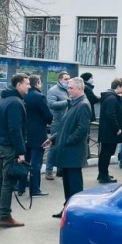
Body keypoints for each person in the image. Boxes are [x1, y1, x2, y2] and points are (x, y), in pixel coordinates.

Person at [45, 77, 92, 218]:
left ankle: (76, 213)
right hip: (67, 151)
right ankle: (67, 209)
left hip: (73, 152)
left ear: (80, 89)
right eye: (68, 88)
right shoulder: (73, 103)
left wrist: (67, 142)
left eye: (71, 88)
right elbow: (65, 127)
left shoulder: (83, 105)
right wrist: (53, 139)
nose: (68, 90)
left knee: (74, 185)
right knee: (67, 183)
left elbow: (82, 129)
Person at [0, 73, 30, 228]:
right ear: (18, 85)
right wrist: (21, 151)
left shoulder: (4, 98)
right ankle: (5, 216)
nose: (29, 86)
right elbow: (15, 129)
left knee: (0, 180)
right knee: (8, 182)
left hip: (2, 144)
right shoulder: (15, 102)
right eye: (26, 83)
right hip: (10, 146)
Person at [18, 75, 52, 197]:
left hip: (24, 134)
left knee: (24, 161)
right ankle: (35, 189)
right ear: (37, 83)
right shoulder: (40, 97)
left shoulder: (22, 96)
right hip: (38, 135)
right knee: (36, 163)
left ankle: (20, 188)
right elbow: (48, 115)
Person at [97, 79, 122, 183]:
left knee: (104, 153)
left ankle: (102, 174)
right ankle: (104, 176)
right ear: (118, 86)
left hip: (106, 131)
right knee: (106, 154)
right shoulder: (112, 98)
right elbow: (110, 115)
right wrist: (117, 128)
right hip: (110, 132)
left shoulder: (109, 97)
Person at [45, 71, 70, 180]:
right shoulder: (53, 90)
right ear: (60, 79)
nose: (68, 81)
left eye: (69, 79)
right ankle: (49, 171)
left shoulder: (68, 89)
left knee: (63, 146)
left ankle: (60, 170)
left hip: (66, 121)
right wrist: (67, 102)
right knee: (54, 147)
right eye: (65, 79)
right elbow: (51, 104)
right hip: (57, 121)